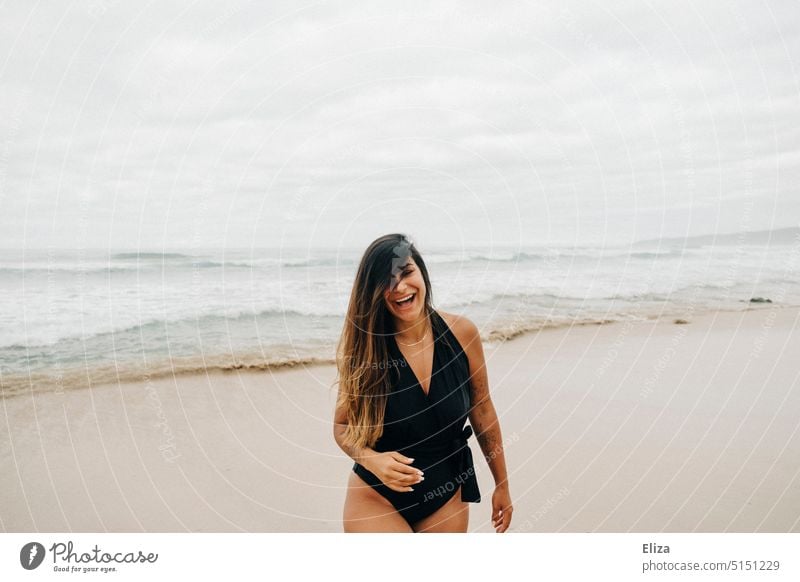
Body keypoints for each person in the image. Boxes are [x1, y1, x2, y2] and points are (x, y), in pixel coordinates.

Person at [333, 233, 513, 532]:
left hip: (446, 492)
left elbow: (482, 409)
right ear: (375, 292)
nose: (400, 287)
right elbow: (341, 428)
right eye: (387, 281)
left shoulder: (462, 333)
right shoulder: (366, 350)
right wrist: (371, 460)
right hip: (378, 496)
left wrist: (502, 485)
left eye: (407, 273)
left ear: (422, 273)